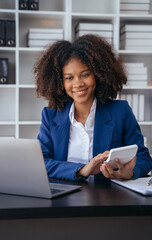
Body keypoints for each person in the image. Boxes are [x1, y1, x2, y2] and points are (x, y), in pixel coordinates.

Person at [34, 34, 152, 181]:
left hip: (109, 197)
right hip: (63, 197)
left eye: (85, 75)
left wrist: (130, 173)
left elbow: (143, 157)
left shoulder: (120, 111)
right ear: (60, 82)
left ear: (98, 75)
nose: (78, 84)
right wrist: (82, 170)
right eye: (69, 78)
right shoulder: (51, 115)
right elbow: (41, 162)